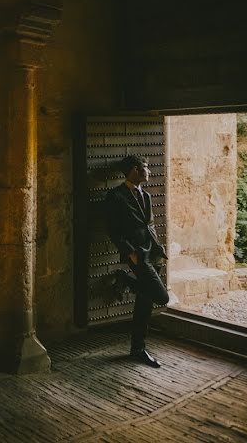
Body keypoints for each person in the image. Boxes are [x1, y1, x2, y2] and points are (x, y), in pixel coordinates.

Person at [104, 155, 170, 367]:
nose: (149, 171)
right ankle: (125, 277)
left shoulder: (147, 196)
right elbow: (113, 230)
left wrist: (159, 248)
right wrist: (129, 252)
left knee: (144, 299)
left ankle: (137, 348)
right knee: (161, 297)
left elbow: (149, 225)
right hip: (137, 255)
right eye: (145, 168)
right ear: (134, 170)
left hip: (153, 253)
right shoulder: (116, 196)